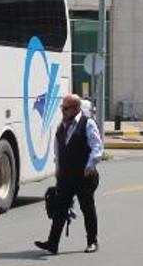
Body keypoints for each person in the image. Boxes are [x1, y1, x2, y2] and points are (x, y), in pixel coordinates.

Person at [34, 93, 104, 255]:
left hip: (84, 174)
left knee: (87, 207)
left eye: (65, 108)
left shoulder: (88, 124)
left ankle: (92, 241)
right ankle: (52, 243)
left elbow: (96, 146)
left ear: (76, 108)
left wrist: (91, 164)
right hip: (66, 175)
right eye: (62, 107)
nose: (62, 110)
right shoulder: (62, 125)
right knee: (60, 208)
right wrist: (58, 167)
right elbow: (58, 149)